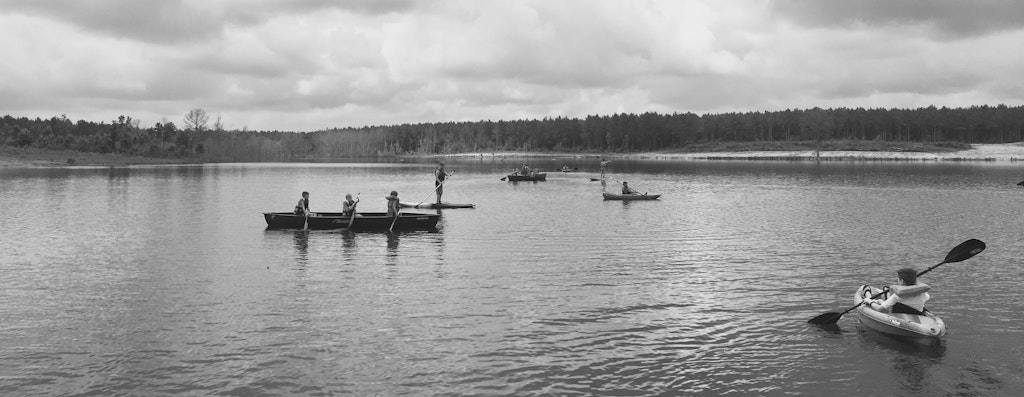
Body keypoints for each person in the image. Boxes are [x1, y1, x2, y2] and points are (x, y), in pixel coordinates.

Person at [864, 267, 931, 315]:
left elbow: (879, 309)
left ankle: (868, 295)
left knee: (885, 290)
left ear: (901, 281)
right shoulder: (923, 294)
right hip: (916, 314)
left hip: (899, 317)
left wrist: (870, 302)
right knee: (885, 291)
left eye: (898, 279)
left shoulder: (897, 296)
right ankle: (879, 300)